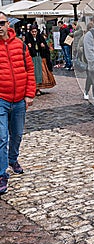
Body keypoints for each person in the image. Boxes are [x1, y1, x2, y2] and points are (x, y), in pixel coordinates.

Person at [0, 12, 36, 194]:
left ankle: (12, 159)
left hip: (20, 99)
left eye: (1, 23)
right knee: (1, 137)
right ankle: (1, 174)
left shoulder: (20, 45)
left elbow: (30, 69)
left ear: (8, 25)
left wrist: (29, 94)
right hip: (1, 100)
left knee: (17, 135)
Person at [25, 24, 56, 96]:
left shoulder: (40, 37)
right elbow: (25, 49)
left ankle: (38, 88)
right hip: (32, 58)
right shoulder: (28, 38)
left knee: (41, 72)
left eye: (35, 32)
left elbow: (46, 48)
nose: (34, 33)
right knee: (34, 73)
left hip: (40, 57)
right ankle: (34, 89)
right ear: (30, 32)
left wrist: (43, 46)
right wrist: (29, 47)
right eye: (32, 32)